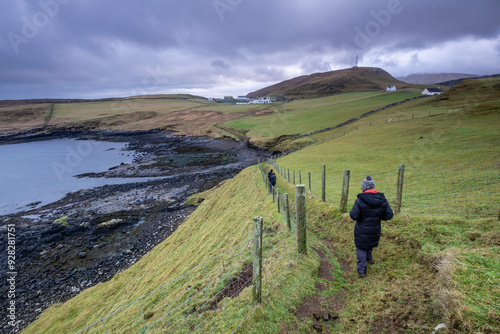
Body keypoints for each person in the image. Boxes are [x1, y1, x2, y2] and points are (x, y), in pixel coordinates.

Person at [349, 175, 393, 278]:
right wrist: (377, 216)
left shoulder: (360, 200)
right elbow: (389, 215)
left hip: (362, 229)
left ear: (363, 188)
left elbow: (353, 215)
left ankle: (362, 270)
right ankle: (370, 258)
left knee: (361, 247)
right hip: (375, 229)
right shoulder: (382, 199)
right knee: (369, 243)